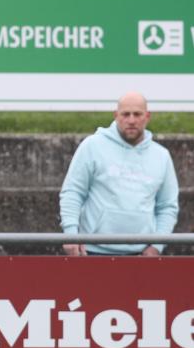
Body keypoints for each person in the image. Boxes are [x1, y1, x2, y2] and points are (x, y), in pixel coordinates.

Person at [60, 92, 179, 256]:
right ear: (116, 116)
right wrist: (71, 233)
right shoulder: (92, 146)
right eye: (125, 114)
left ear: (147, 116)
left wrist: (156, 247)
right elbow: (73, 192)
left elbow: (167, 206)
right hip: (92, 252)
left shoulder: (162, 156)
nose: (131, 120)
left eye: (137, 114)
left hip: (141, 255)